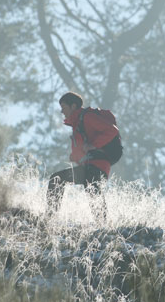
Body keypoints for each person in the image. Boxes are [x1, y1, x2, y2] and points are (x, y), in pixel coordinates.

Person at [46, 92, 118, 223]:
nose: (62, 111)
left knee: (89, 187)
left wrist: (93, 145)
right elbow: (85, 146)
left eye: (64, 107)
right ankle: (50, 220)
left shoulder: (87, 117)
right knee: (59, 180)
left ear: (73, 106)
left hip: (98, 165)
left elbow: (112, 131)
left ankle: (102, 226)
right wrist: (76, 156)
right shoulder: (77, 123)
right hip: (90, 165)